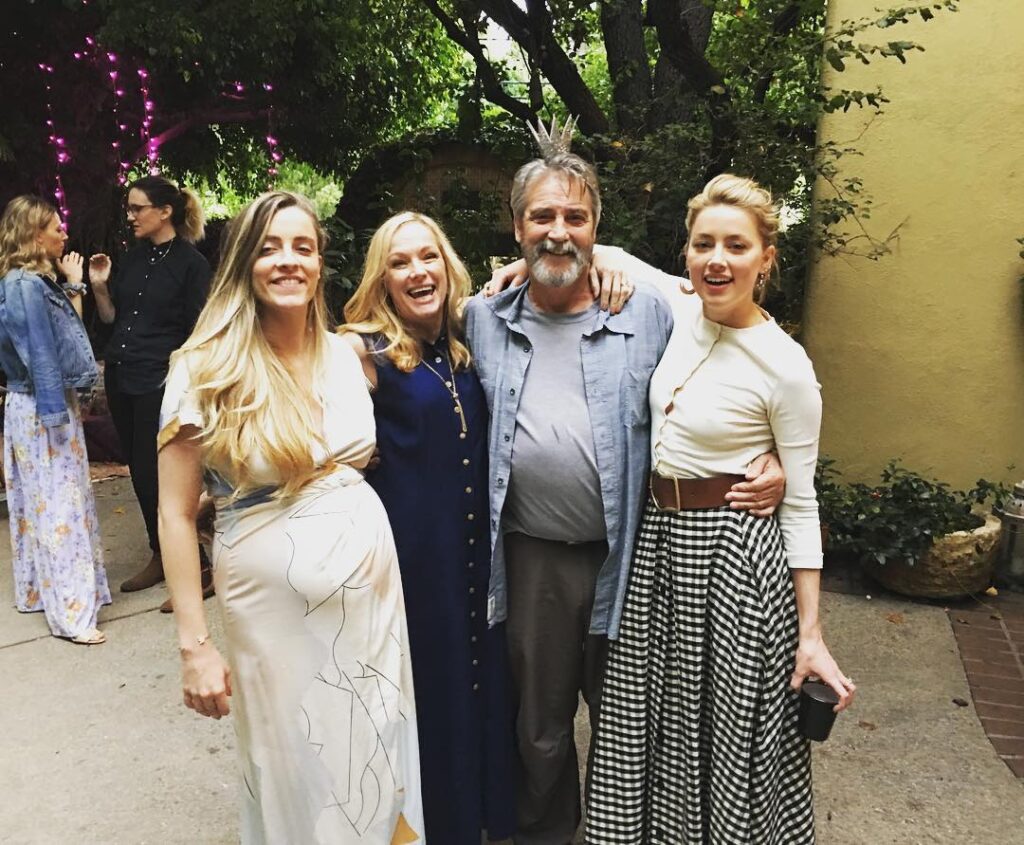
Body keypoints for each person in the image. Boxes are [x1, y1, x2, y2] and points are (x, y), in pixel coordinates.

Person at [465, 121, 785, 845]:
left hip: (636, 557)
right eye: (542, 216)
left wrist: (782, 455)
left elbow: (755, 346)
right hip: (532, 557)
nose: (558, 232)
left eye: (575, 218)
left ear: (596, 226)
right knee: (538, 727)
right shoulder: (481, 318)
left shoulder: (647, 312)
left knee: (634, 724)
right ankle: (546, 834)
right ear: (516, 227)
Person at [585, 174, 856, 844]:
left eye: (736, 245)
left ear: (766, 257)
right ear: (685, 252)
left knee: (729, 730)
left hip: (735, 559)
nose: (716, 258)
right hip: (659, 550)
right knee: (654, 724)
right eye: (703, 242)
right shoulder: (680, 306)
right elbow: (595, 252)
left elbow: (801, 501)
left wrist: (811, 632)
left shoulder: (785, 366)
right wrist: (502, 281)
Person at [157, 191, 423, 843]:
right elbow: (172, 509)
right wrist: (195, 645)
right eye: (271, 247)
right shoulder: (204, 369)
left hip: (371, 612)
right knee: (292, 765)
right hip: (271, 613)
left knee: (377, 754)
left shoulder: (346, 352)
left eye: (303, 247)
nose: (288, 261)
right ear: (245, 261)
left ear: (320, 263)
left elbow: (450, 299)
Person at [340, 211, 516, 844]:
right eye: (399, 261)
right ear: (382, 278)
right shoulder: (362, 352)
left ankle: (481, 816)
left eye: (427, 257)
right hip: (412, 559)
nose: (417, 271)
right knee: (428, 695)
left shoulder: (471, 339)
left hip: (475, 550)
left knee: (480, 680)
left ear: (448, 263)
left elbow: (551, 272)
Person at [89, 175, 212, 605]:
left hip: (159, 378)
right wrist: (101, 288)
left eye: (137, 208)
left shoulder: (193, 265)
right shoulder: (131, 260)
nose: (130, 216)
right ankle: (162, 553)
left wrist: (181, 378)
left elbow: (201, 330)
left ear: (165, 212)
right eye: (129, 208)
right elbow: (110, 320)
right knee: (139, 472)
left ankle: (196, 562)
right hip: (121, 375)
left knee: (162, 473)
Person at [0, 195, 110, 644]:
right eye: (55, 226)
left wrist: (75, 284)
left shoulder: (31, 282)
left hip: (41, 403)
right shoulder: (24, 285)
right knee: (58, 508)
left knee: (41, 506)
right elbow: (41, 356)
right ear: (32, 234)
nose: (64, 232)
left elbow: (68, 339)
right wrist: (56, 415)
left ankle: (43, 593)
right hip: (41, 405)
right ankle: (72, 614)